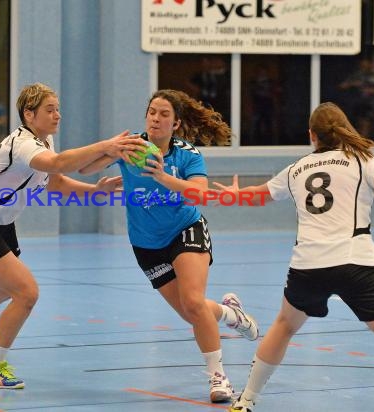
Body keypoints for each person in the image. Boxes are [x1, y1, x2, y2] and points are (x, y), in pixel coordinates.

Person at [0, 82, 147, 389]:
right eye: (50, 110)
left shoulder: (43, 143)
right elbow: (59, 165)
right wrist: (105, 147)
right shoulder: (22, 145)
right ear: (29, 114)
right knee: (26, 293)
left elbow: (56, 181)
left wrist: (95, 190)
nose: (57, 115)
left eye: (58, 109)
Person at [213, 102, 374, 411]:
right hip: (356, 264)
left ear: (312, 135)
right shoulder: (361, 160)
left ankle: (245, 401)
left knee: (283, 327)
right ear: (345, 129)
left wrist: (233, 193)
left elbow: (258, 195)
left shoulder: (297, 168)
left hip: (307, 268)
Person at [79, 89, 258, 403]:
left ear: (176, 124)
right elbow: (84, 170)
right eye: (152, 112)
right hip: (146, 243)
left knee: (192, 301)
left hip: (185, 228)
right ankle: (232, 315)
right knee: (193, 312)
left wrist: (161, 176)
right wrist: (110, 151)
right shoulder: (131, 146)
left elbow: (199, 193)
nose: (155, 119)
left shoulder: (187, 154)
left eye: (164, 114)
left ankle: (219, 379)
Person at [187, 56, 230, 130]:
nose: (206, 65)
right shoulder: (201, 75)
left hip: (221, 105)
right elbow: (189, 82)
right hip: (205, 104)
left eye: (208, 62)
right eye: (204, 63)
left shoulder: (223, 74)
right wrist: (197, 90)